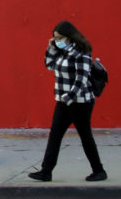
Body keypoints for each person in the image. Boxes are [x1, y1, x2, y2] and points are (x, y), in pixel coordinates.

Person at [28, 20, 108, 182]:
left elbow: (82, 79)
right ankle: (46, 171)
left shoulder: (82, 53)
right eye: (55, 38)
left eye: (59, 38)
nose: (57, 41)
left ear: (69, 37)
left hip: (80, 102)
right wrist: (51, 48)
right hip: (63, 101)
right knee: (55, 136)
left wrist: (69, 97)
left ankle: (99, 171)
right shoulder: (62, 52)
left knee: (85, 136)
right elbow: (49, 65)